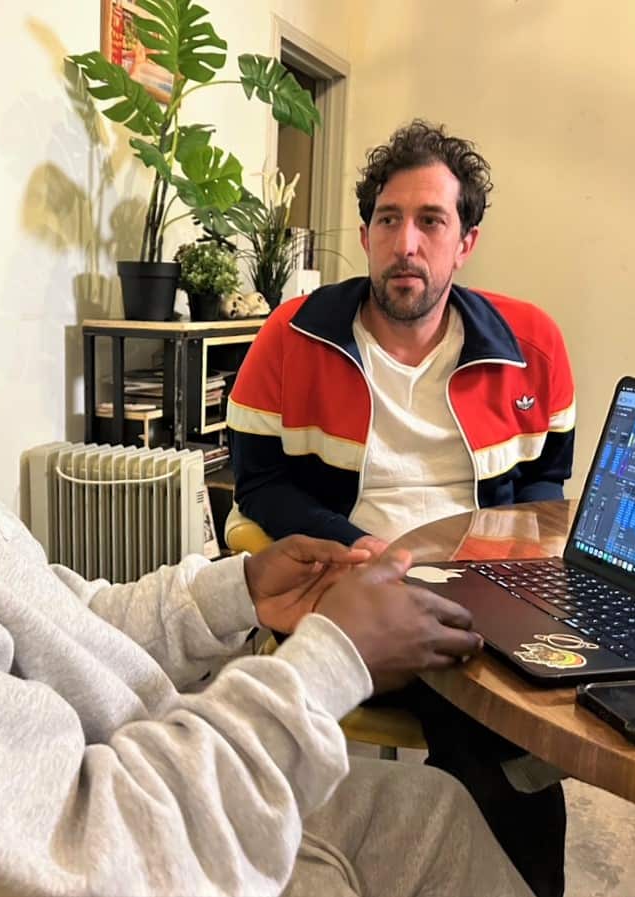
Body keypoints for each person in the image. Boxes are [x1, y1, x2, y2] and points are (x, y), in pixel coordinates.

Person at [0, 58, 534, 897]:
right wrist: (333, 658)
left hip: (138, 765)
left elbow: (52, 619)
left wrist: (236, 594)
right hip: (143, 835)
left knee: (433, 813)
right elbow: (99, 854)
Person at [227, 120, 576, 897]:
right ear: (364, 233)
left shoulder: (531, 344)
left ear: (466, 242)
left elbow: (548, 481)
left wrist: (506, 567)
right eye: (388, 220)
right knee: (495, 734)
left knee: (556, 696)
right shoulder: (294, 334)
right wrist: (366, 548)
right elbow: (259, 486)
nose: (405, 243)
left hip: (485, 583)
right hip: (351, 579)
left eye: (430, 222)